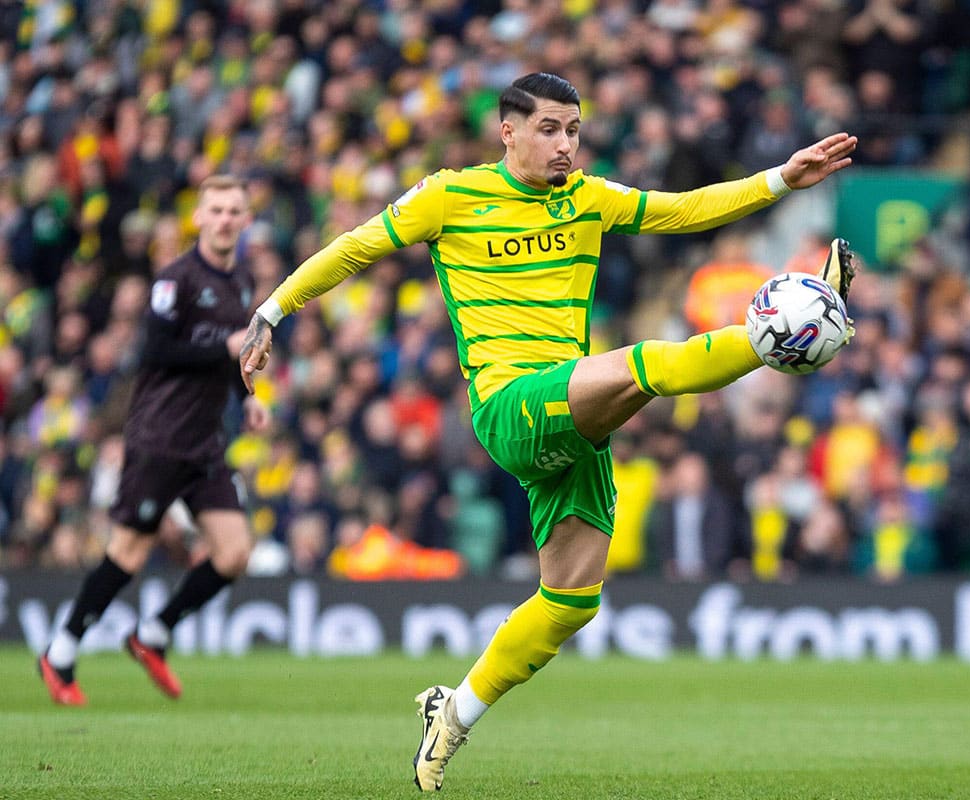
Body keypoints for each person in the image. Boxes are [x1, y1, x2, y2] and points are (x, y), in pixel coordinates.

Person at [238, 72, 856, 791]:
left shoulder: (588, 197)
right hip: (509, 404)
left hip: (571, 416)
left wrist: (781, 179)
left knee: (571, 600)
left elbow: (685, 211)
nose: (566, 145)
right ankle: (780, 336)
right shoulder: (451, 195)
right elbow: (354, 248)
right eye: (549, 130)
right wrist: (272, 312)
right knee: (640, 368)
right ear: (508, 130)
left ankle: (454, 712)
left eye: (574, 131)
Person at [38, 175, 270, 705]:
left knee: (234, 552)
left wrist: (248, 395)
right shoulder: (176, 279)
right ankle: (62, 651)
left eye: (235, 210)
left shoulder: (241, 281)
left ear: (246, 220)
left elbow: (230, 355)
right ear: (199, 217)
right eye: (216, 209)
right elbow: (157, 351)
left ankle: (154, 634)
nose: (225, 219)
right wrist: (226, 344)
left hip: (205, 442)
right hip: (161, 438)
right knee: (129, 551)